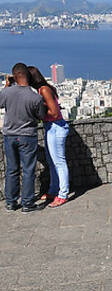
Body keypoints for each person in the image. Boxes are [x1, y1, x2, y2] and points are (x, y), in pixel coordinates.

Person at [0, 63, 47, 213]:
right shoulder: (35, 97)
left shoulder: (7, 93)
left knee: (12, 170)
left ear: (14, 76)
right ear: (27, 75)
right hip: (27, 136)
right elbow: (41, 116)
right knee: (28, 170)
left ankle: (11, 202)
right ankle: (27, 203)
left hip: (9, 136)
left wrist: (7, 86)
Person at [28, 66, 70, 208]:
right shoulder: (43, 89)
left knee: (59, 162)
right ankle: (53, 190)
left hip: (55, 127)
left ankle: (63, 194)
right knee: (52, 161)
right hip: (51, 127)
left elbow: (54, 113)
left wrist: (39, 114)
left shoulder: (44, 90)